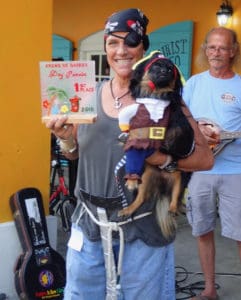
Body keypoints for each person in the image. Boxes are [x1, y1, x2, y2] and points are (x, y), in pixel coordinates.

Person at [46, 8, 213, 300]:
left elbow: (204, 159)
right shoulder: (87, 97)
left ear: (143, 48)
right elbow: (75, 156)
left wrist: (162, 159)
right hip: (90, 226)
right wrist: (65, 140)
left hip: (144, 229)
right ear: (106, 48)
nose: (121, 50)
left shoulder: (162, 98)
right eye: (113, 42)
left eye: (130, 42)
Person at [183, 27, 241, 300]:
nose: (217, 53)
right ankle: (209, 290)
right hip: (200, 168)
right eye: (212, 47)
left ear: (233, 51)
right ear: (206, 50)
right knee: (202, 228)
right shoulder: (194, 83)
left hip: (235, 170)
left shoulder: (239, 85)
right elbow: (183, 120)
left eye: (223, 48)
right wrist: (198, 131)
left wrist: (226, 137)